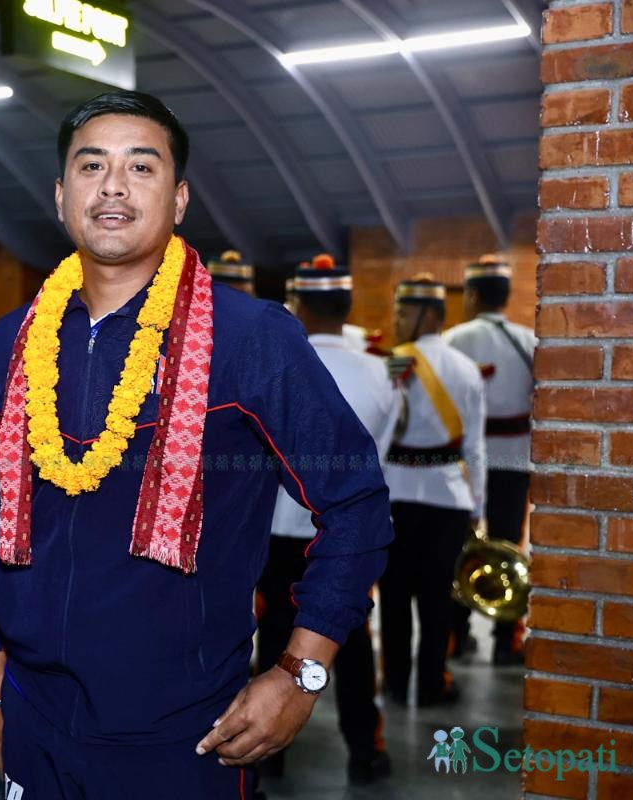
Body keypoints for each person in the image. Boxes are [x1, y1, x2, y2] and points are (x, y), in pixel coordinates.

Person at [0, 90, 393, 797]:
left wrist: (300, 671)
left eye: (142, 166)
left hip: (183, 732)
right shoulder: (12, 340)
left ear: (180, 197)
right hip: (31, 715)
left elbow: (357, 504)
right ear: (62, 194)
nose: (114, 186)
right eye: (92, 165)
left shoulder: (250, 337)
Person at [259, 255, 399, 786]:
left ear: (297, 305)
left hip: (277, 534)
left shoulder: (277, 364)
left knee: (274, 638)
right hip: (346, 538)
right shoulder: (381, 374)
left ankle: (266, 751)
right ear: (346, 307)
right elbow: (377, 463)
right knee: (353, 643)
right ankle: (364, 751)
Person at [380, 275, 486, 708]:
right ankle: (429, 685)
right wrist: (477, 504)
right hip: (448, 499)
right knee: (436, 598)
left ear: (431, 316)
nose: (397, 319)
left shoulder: (393, 364)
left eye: (404, 312)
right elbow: (476, 447)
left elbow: (380, 435)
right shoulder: (467, 369)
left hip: (397, 496)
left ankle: (394, 681)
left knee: (394, 596)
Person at [443, 255, 535, 665]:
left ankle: (457, 634)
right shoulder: (529, 341)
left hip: (464, 462)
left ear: (474, 294)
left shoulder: (454, 340)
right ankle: (504, 638)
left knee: (462, 547)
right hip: (515, 460)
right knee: (507, 548)